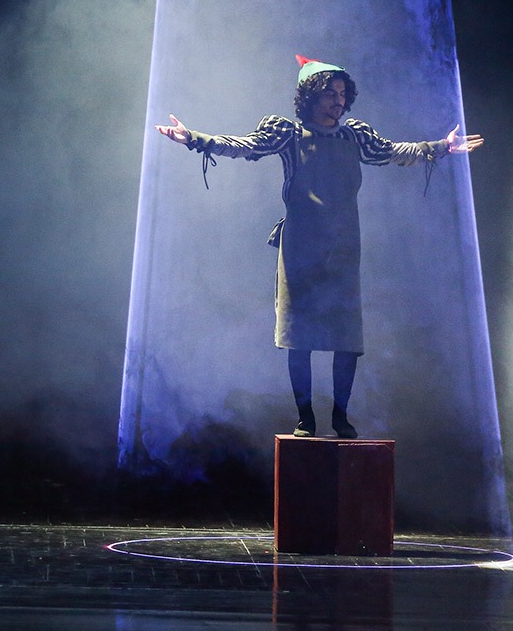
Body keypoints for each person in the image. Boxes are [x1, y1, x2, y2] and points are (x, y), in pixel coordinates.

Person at [155, 55, 483, 438]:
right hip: (300, 248)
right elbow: (245, 145)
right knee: (300, 337)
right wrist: (195, 138)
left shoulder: (353, 136)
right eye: (330, 94)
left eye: (342, 94)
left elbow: (394, 151)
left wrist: (440, 147)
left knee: (347, 337)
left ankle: (340, 416)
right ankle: (306, 417)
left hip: (343, 247)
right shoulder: (289, 134)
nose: (338, 101)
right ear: (310, 97)